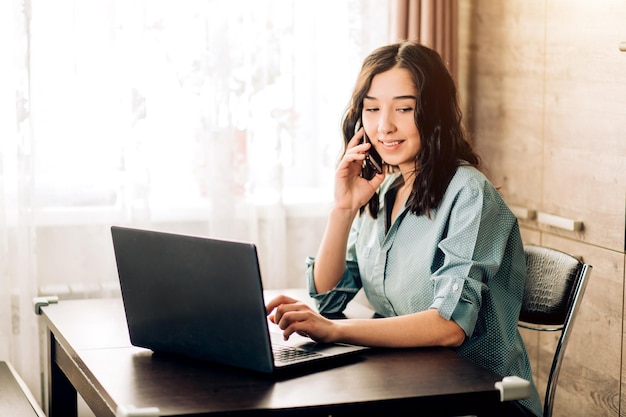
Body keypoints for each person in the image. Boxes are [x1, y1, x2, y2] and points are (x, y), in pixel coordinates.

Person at [265, 41, 543, 417]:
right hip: (407, 386)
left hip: (478, 401)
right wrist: (343, 208)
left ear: (434, 113)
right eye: (372, 109)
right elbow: (330, 297)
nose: (385, 126)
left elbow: (448, 326)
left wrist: (335, 331)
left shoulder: (469, 193)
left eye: (404, 108)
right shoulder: (389, 189)